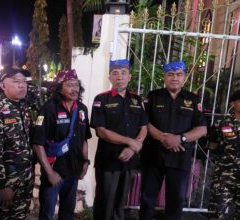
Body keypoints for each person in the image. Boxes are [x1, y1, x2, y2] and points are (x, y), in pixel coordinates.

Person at [139, 61, 207, 220]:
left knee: (176, 200)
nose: (174, 78)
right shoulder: (153, 96)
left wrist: (180, 138)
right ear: (165, 77)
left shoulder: (193, 100)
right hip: (153, 155)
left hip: (180, 157)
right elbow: (144, 123)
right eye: (170, 74)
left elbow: (202, 129)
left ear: (184, 78)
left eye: (178, 75)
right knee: (147, 198)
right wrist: (165, 139)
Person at [90, 59, 147, 220]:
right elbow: (101, 131)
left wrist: (134, 147)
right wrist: (130, 142)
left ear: (129, 77)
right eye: (115, 73)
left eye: (123, 73)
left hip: (129, 161)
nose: (119, 77)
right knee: (105, 202)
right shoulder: (101, 99)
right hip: (108, 161)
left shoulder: (137, 100)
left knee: (121, 202)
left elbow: (144, 127)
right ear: (110, 78)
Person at [31, 69, 92, 220]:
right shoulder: (48, 109)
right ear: (59, 87)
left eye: (76, 85)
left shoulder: (82, 109)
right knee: (47, 213)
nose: (74, 89)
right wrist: (50, 173)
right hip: (54, 171)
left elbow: (84, 139)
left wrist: (85, 162)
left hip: (74, 171)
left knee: (67, 213)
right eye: (69, 85)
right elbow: (37, 144)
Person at [0, 65, 34, 219]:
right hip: (7, 181)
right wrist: (2, 185)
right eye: (15, 81)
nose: (22, 85)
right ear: (2, 85)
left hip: (25, 177)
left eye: (24, 81)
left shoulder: (23, 108)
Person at [208, 90, 240, 219]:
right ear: (233, 103)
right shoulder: (223, 123)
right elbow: (213, 145)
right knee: (216, 211)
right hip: (224, 176)